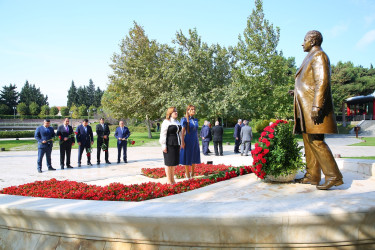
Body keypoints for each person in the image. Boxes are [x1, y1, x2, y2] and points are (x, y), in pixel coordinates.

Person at [292, 30, 343, 190]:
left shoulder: (319, 56)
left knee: (316, 141)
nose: (302, 43)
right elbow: (309, 83)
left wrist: (317, 105)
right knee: (309, 141)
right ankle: (312, 175)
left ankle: (334, 176)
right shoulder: (310, 57)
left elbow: (322, 82)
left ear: (312, 41)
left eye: (305, 40)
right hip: (306, 106)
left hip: (313, 107)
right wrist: (297, 91)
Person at [159, 107, 182, 184]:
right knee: (169, 163)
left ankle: (172, 179)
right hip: (169, 144)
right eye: (174, 111)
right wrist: (163, 145)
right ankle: (169, 180)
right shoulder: (166, 122)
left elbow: (180, 133)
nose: (176, 113)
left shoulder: (177, 122)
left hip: (176, 144)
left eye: (176, 111)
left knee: (173, 163)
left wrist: (181, 143)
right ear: (170, 113)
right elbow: (163, 134)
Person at [180, 104, 201, 178]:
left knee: (194, 155)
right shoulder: (184, 119)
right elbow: (182, 132)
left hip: (195, 140)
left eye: (194, 109)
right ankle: (187, 173)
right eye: (191, 109)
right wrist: (182, 142)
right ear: (188, 111)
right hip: (188, 140)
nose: (193, 110)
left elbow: (196, 131)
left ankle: (193, 173)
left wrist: (198, 141)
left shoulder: (195, 120)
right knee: (187, 156)